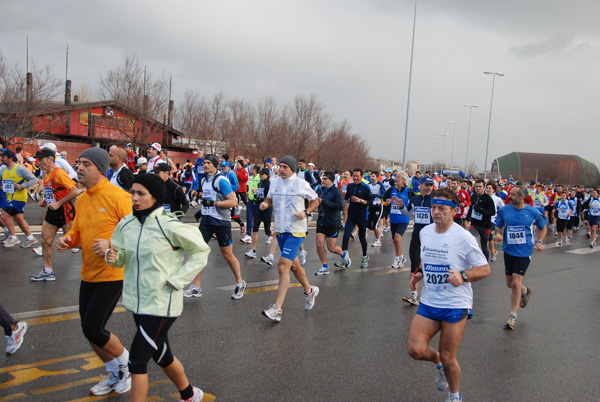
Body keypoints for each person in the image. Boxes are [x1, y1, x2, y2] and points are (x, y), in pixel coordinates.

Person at [104, 174, 210, 402]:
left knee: (137, 361)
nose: (134, 198)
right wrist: (112, 255)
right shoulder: (127, 224)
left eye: (141, 193)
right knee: (162, 355)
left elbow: (200, 251)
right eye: (132, 192)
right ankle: (190, 395)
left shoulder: (168, 225)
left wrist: (178, 279)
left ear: (155, 197)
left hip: (162, 303)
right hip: (136, 302)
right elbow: (122, 257)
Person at [55, 147, 133, 396]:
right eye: (78, 163)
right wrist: (67, 239)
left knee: (93, 328)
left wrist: (111, 244)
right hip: (88, 273)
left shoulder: (118, 196)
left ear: (100, 168)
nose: (79, 167)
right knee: (88, 329)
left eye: (86, 164)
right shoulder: (83, 198)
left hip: (112, 273)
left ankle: (126, 366)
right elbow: (78, 231)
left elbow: (135, 234)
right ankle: (113, 372)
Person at [406, 188, 490, 402]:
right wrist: (419, 274)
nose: (436, 212)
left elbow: (484, 268)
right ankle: (438, 364)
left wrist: (464, 275)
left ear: (454, 211)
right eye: (433, 207)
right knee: (415, 349)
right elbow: (428, 260)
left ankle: (454, 395)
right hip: (430, 300)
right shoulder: (425, 232)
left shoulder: (464, 237)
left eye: (442, 208)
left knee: (448, 354)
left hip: (455, 303)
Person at [259, 156, 320, 322]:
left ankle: (277, 309)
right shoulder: (275, 183)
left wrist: (306, 212)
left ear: (293, 169)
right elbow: (269, 199)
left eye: (285, 167)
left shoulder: (301, 184)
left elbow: (316, 200)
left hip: (296, 231)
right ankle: (309, 291)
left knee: (282, 266)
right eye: (280, 166)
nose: (282, 169)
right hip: (281, 230)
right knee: (294, 265)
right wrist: (265, 204)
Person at [184, 155, 246, 300]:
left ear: (215, 165)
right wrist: (203, 210)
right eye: (204, 163)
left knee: (227, 255)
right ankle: (196, 287)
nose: (205, 165)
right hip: (206, 221)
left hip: (221, 222)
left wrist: (214, 204)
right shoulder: (205, 180)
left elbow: (233, 202)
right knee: (198, 252)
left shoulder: (221, 181)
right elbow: (207, 200)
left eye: (208, 163)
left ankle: (240, 282)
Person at [494, 185, 547, 330]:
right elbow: (498, 226)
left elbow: (543, 228)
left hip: (524, 251)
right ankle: (525, 291)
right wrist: (498, 234)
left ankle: (512, 316)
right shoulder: (505, 210)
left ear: (521, 197)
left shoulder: (533, 212)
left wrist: (540, 241)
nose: (509, 196)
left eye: (513, 194)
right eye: (510, 193)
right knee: (510, 283)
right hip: (509, 250)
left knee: (516, 282)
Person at [30, 149, 78, 281]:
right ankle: (48, 271)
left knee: (74, 243)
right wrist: (46, 201)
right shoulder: (46, 174)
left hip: (64, 211)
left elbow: (74, 191)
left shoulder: (59, 173)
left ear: (50, 159)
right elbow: (54, 192)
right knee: (45, 241)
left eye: (41, 159)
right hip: (52, 212)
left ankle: (99, 259)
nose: (38, 162)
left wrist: (58, 203)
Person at [398, 176, 435, 305]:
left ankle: (432, 294)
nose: (429, 188)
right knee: (414, 259)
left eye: (431, 185)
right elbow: (407, 213)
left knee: (429, 263)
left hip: (431, 235)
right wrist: (401, 206)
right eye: (426, 185)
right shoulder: (415, 199)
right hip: (418, 233)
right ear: (420, 186)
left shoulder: (435, 200)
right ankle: (413, 294)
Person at [0, 149, 39, 248]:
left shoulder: (20, 169)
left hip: (19, 198)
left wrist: (23, 186)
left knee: (4, 215)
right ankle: (30, 238)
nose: (1, 159)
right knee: (19, 219)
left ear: (10, 158)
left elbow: (34, 179)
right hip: (9, 197)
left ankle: (13, 237)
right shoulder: (3, 169)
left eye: (3, 157)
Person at [337, 168, 372, 269]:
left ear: (362, 176)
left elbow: (370, 202)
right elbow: (347, 197)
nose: (355, 178)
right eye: (354, 176)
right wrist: (342, 206)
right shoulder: (350, 186)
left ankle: (365, 256)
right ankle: (344, 259)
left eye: (357, 176)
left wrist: (360, 200)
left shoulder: (366, 188)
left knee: (361, 238)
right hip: (351, 216)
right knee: (346, 236)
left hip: (362, 217)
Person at [314, 171, 344, 275]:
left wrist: (324, 201)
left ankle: (344, 255)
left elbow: (340, 206)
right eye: (322, 178)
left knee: (331, 248)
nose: (323, 180)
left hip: (333, 222)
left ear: (331, 180)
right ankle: (324, 266)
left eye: (325, 179)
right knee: (319, 244)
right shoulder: (320, 190)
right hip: (321, 221)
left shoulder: (336, 192)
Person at [382, 171, 411, 268]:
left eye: (398, 177)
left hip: (403, 219)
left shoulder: (408, 191)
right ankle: (401, 257)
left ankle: (397, 259)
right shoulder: (391, 189)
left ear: (403, 180)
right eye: (396, 177)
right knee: (395, 240)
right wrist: (387, 201)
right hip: (393, 219)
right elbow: (384, 199)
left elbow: (415, 201)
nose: (396, 179)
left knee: (397, 238)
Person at [244, 168, 273, 259]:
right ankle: (253, 250)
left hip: (266, 208)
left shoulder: (269, 184)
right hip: (258, 206)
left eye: (263, 174)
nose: (260, 175)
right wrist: (255, 194)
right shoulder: (260, 183)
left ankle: (278, 235)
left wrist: (265, 203)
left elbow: (269, 197)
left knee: (267, 231)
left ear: (267, 175)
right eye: (260, 174)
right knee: (255, 227)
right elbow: (259, 194)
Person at [468, 180, 496, 261]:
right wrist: (467, 219)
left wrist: (481, 210)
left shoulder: (488, 198)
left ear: (484, 187)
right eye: (476, 186)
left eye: (480, 186)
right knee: (469, 242)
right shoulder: (473, 196)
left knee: (484, 246)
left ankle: (485, 263)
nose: (478, 188)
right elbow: (471, 208)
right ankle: (471, 261)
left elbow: (492, 212)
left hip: (484, 226)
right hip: (474, 224)